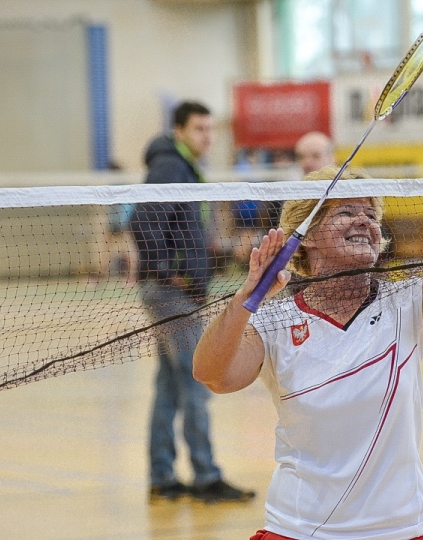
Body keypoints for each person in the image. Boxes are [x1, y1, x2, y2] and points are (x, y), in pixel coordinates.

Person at [191, 109, 423, 538]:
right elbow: (212, 375)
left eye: (371, 215)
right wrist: (246, 298)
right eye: (346, 213)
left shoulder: (411, 304)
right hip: (299, 530)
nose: (364, 221)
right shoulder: (274, 322)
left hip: (401, 529)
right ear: (309, 234)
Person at [130, 100, 254, 503]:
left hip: (178, 290)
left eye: (211, 128)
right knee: (198, 379)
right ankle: (206, 476)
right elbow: (142, 221)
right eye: (199, 128)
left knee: (170, 386)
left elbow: (183, 231)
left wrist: (219, 251)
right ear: (179, 130)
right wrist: (170, 272)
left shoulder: (185, 168)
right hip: (171, 294)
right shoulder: (170, 166)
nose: (208, 136)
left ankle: (162, 476)